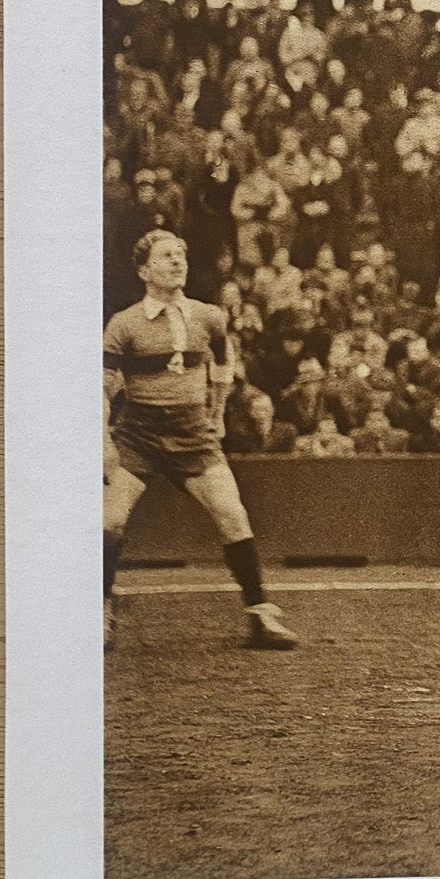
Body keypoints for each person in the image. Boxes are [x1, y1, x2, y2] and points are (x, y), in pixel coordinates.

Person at [102, 230, 297, 650]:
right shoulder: (124, 324)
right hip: (139, 434)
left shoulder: (210, 317)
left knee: (233, 514)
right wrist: (104, 440)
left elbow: (224, 365)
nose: (177, 261)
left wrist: (216, 413)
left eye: (180, 254)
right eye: (166, 256)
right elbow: (101, 388)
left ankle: (261, 613)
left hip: (194, 433)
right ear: (143, 270)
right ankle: (99, 609)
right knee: (110, 520)